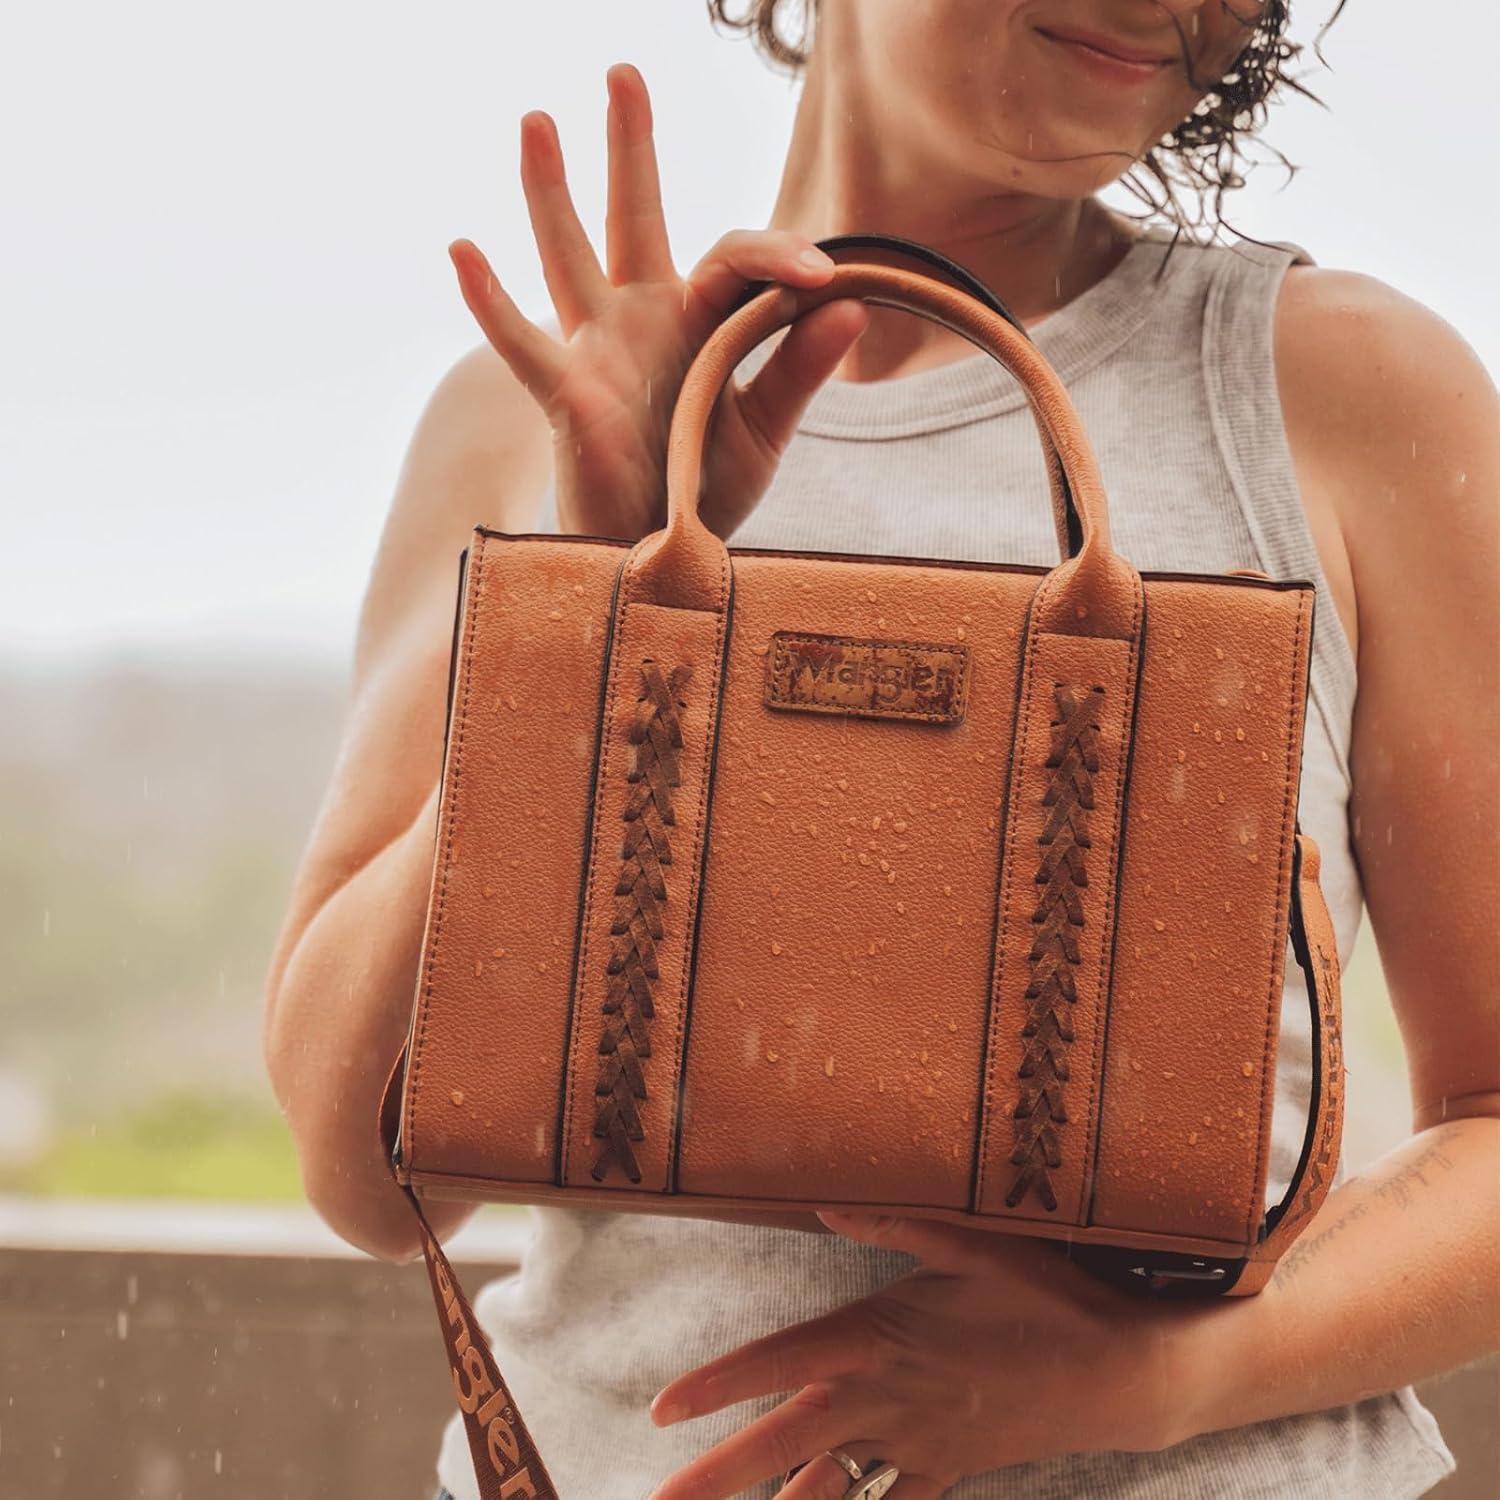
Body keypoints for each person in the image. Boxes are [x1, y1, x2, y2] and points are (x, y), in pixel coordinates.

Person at [263, 3, 1500, 1496]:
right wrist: (583, 604)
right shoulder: (527, 417)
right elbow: (361, 1167)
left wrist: (1157, 1383)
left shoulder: (1339, 390)